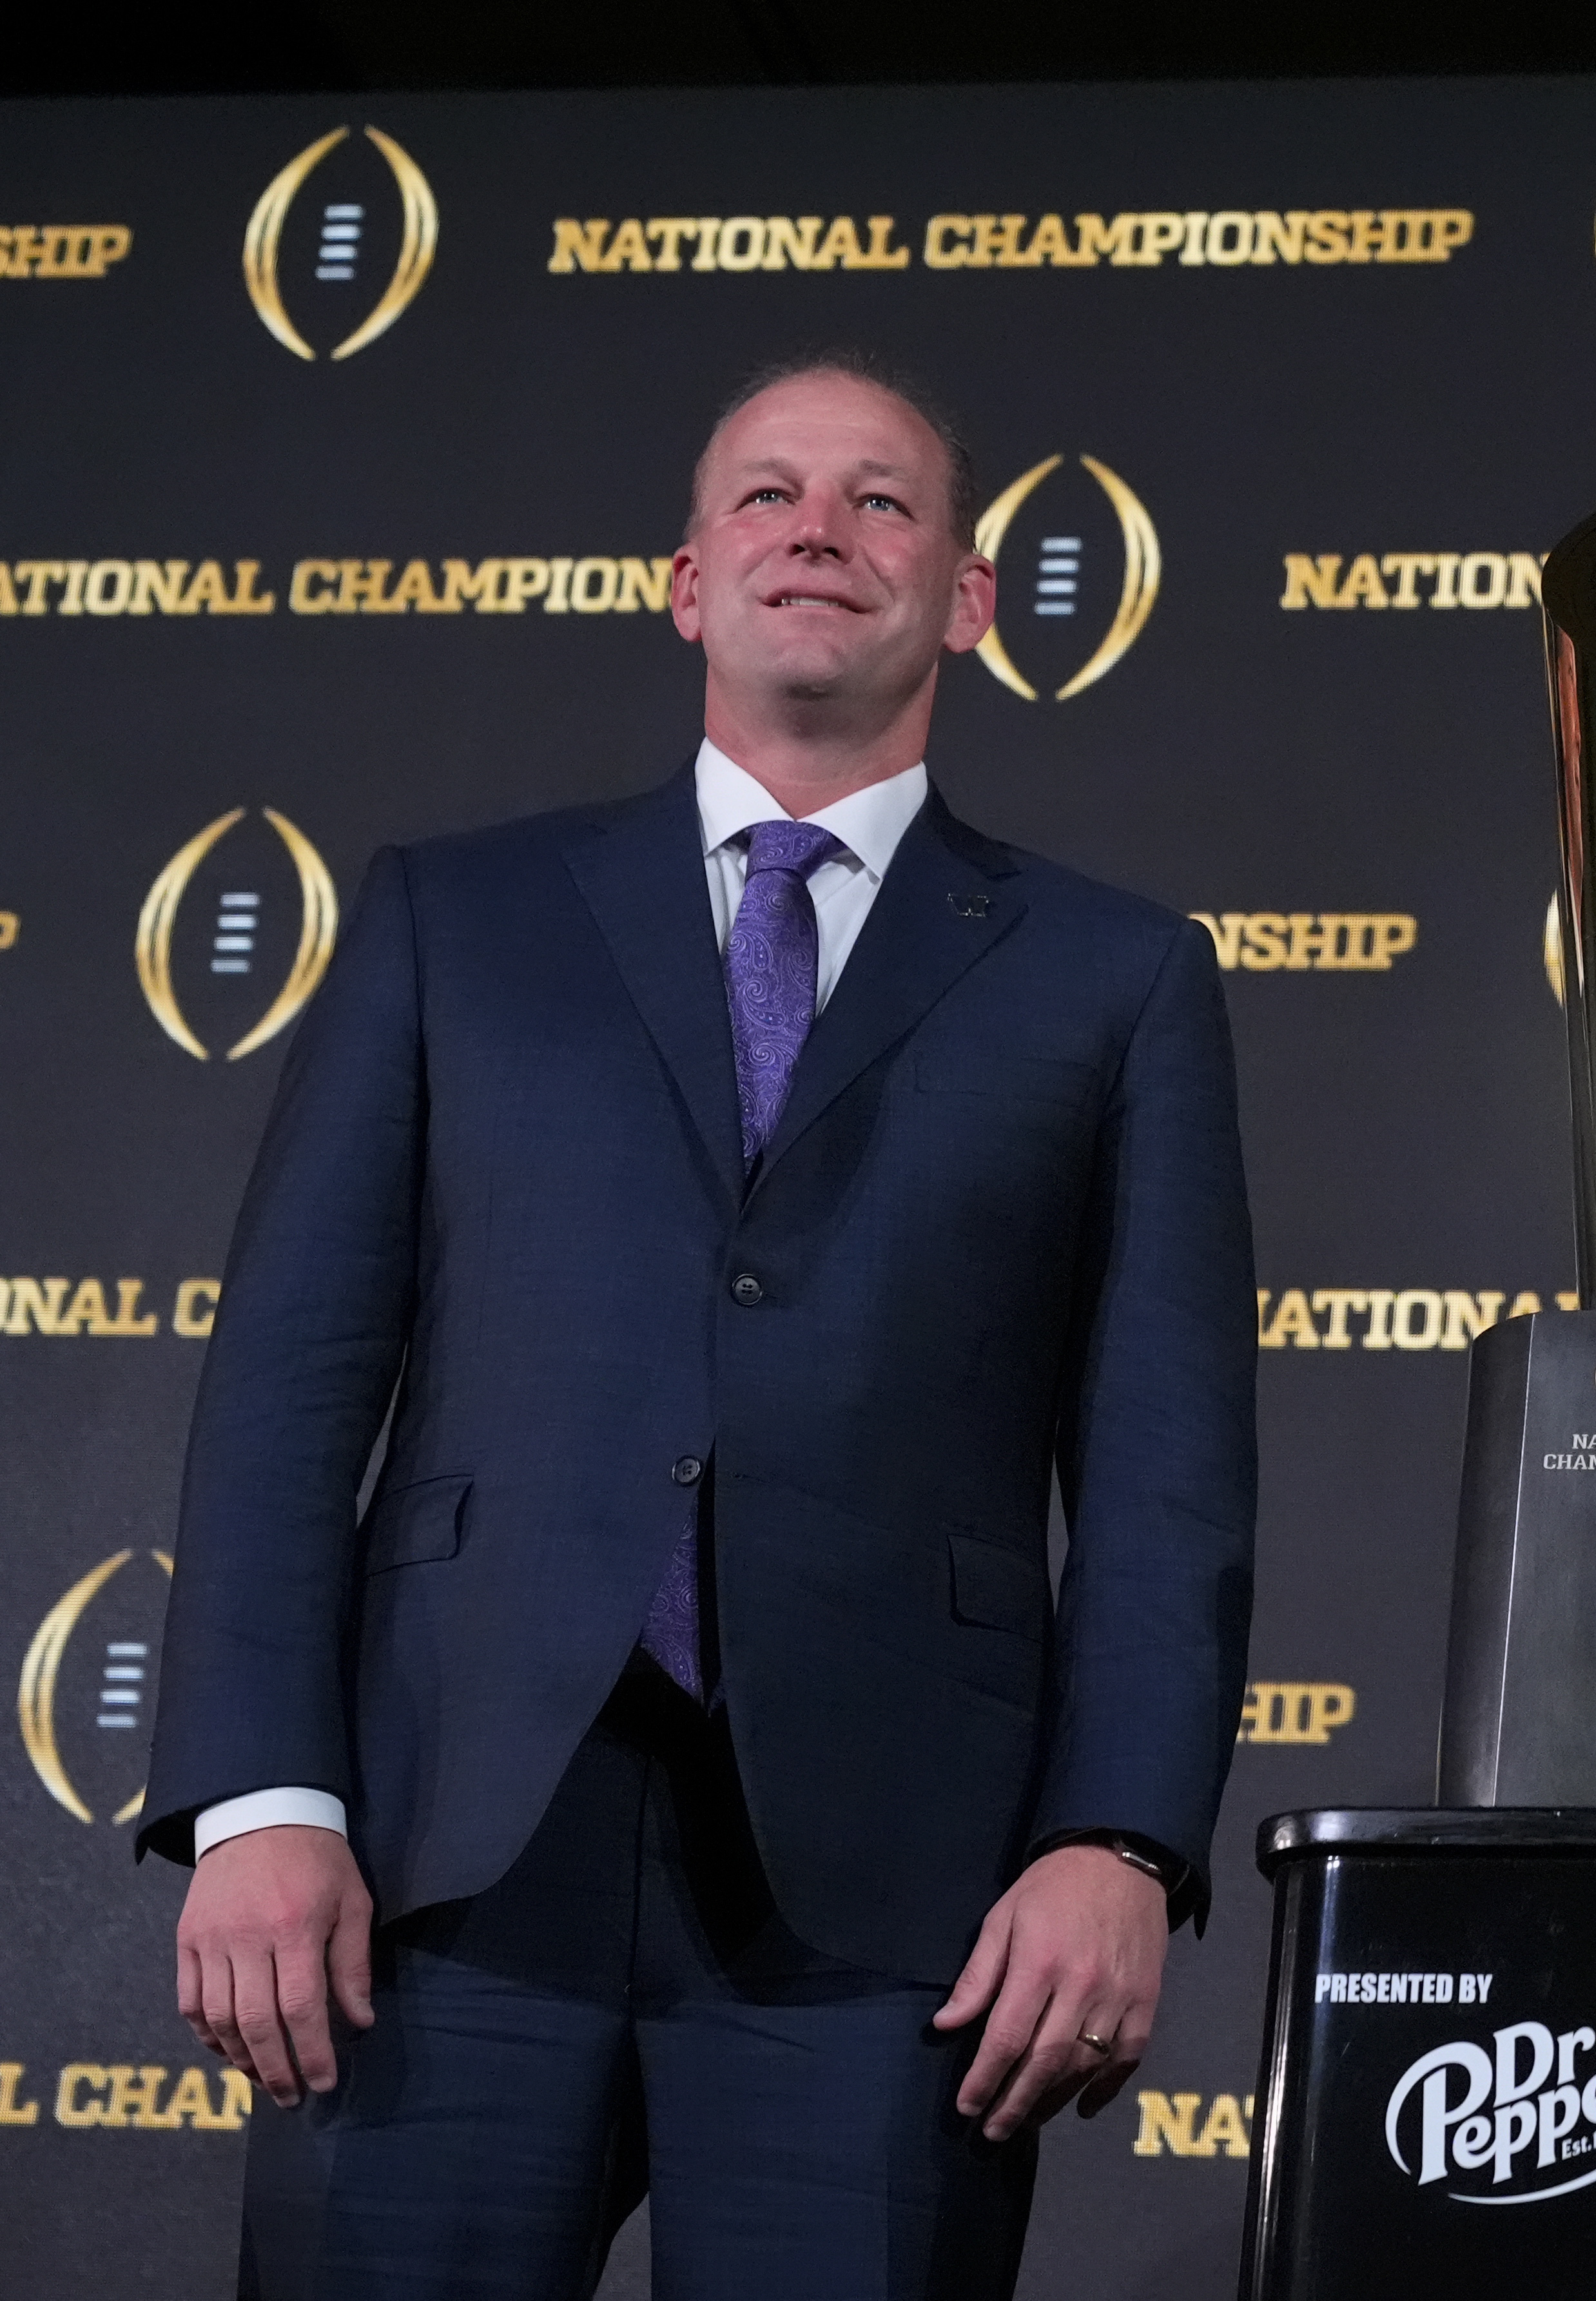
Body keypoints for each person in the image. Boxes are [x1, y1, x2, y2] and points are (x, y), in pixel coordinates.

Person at [141, 349, 1257, 2299]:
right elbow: (285, 1396)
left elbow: (1166, 1473)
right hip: (436, 1867)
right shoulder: (450, 918)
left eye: (881, 499)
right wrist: (265, 1792)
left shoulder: (1120, 978)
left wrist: (1122, 1842)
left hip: (898, 1907)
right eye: (765, 493)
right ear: (685, 580)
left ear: (971, 598)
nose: (817, 528)